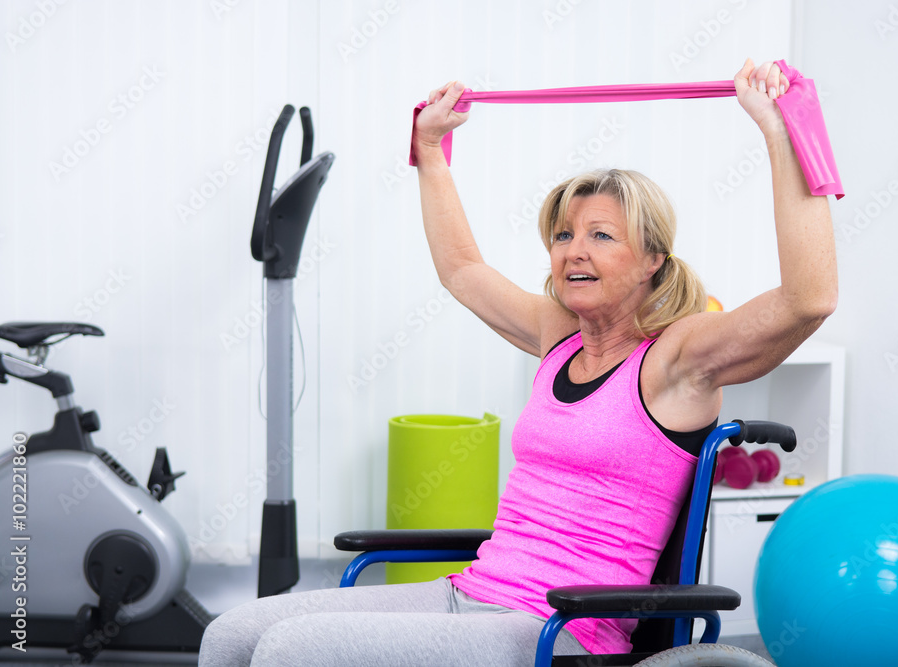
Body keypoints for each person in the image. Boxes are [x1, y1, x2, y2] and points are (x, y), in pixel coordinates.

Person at [198, 58, 836, 666]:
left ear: (652, 263)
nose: (572, 252)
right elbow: (462, 269)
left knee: (290, 654)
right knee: (233, 635)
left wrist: (782, 133)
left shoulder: (676, 360)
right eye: (563, 235)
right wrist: (428, 150)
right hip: (474, 594)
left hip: (562, 628)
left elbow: (809, 299)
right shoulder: (559, 336)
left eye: (600, 235)